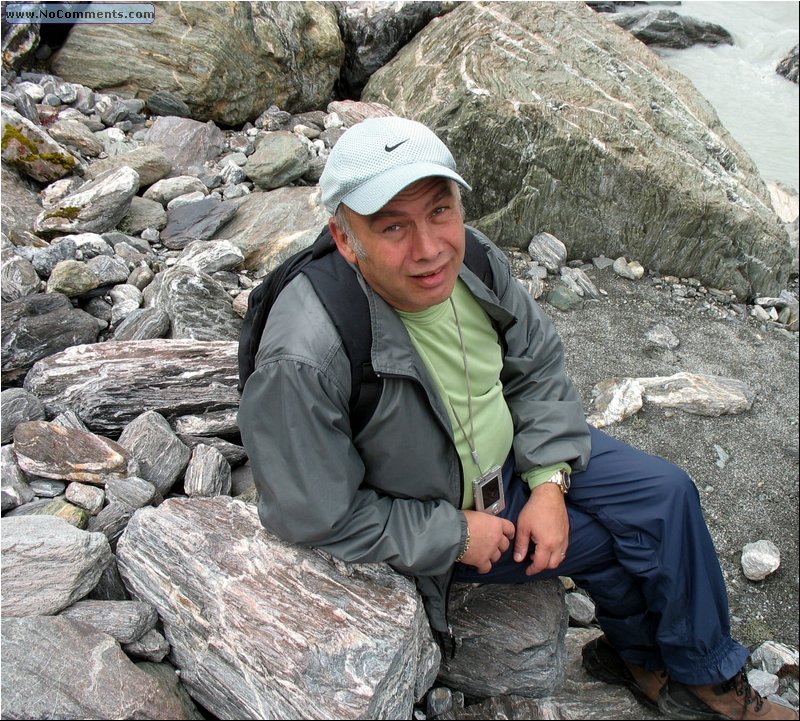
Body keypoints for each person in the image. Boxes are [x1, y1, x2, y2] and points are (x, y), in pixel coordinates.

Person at [238, 116, 797, 721]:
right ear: (346, 240)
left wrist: (549, 483)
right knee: (609, 543)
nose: (429, 248)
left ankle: (698, 670)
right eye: (392, 226)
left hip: (507, 452)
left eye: (439, 211)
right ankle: (670, 675)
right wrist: (453, 535)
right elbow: (311, 513)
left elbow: (536, 366)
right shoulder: (306, 356)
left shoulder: (473, 258)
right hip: (434, 504)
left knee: (667, 493)